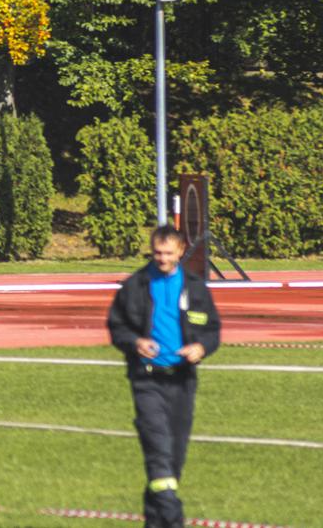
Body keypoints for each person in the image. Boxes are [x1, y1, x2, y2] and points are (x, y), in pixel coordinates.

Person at [106, 225, 221, 528]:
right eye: (157, 253)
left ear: (181, 251)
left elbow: (213, 331)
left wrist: (201, 347)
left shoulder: (195, 288)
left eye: (168, 253)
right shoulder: (135, 285)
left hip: (182, 381)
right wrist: (135, 342)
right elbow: (117, 326)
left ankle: (155, 522)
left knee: (174, 459)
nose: (162, 259)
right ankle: (174, 518)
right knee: (158, 450)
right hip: (147, 381)